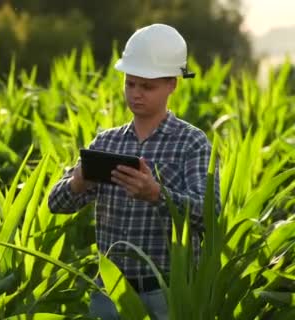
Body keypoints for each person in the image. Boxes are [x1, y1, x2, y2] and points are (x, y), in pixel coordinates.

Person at [47, 23, 221, 320]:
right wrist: (77, 183)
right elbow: (55, 204)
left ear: (172, 84)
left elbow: (210, 214)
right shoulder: (107, 141)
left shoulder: (191, 143)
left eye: (147, 86)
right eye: (130, 84)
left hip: (166, 294)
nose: (136, 94)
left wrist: (157, 194)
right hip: (108, 292)